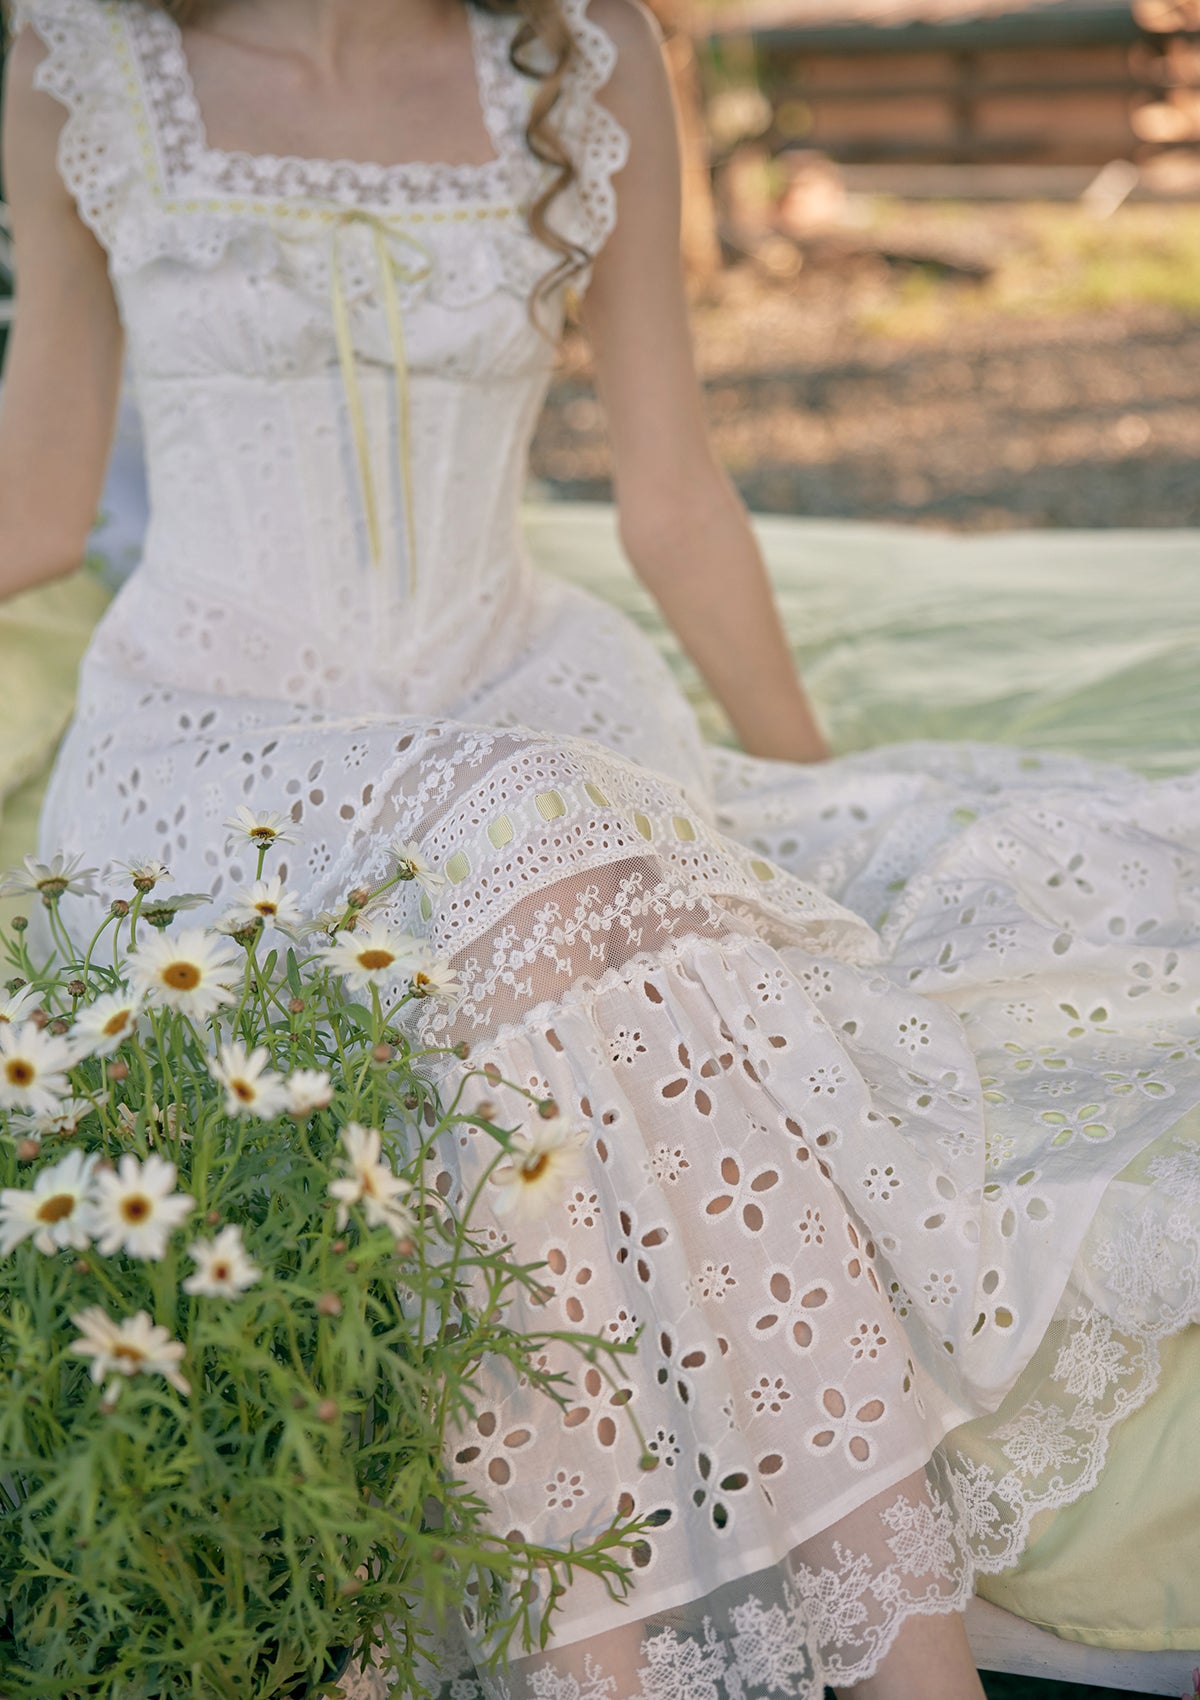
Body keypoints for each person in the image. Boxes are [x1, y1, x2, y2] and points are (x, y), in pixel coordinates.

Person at [1, 0, 1198, 1694]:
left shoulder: (588, 54)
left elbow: (672, 492)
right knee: (536, 846)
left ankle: (796, 1661)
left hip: (530, 688)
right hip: (218, 752)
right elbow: (35, 507)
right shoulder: (83, 71)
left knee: (575, 877)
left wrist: (801, 791)